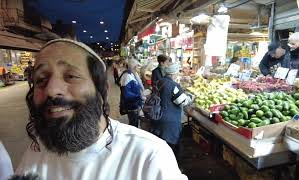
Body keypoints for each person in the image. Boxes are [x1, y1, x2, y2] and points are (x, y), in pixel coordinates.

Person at [15, 39, 187, 180]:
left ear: (100, 88)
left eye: (70, 76)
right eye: (41, 79)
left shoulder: (148, 157)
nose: (51, 90)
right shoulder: (35, 153)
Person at [151, 62, 192, 159]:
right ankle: (171, 168)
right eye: (177, 73)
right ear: (173, 74)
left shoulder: (160, 81)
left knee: (161, 146)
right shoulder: (173, 85)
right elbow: (182, 101)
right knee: (171, 148)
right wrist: (190, 97)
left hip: (158, 117)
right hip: (169, 122)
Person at [119, 58, 144, 128]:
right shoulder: (127, 76)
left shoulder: (132, 74)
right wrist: (139, 96)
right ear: (134, 67)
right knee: (133, 124)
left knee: (134, 122)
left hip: (135, 104)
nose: (138, 68)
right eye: (137, 66)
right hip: (131, 106)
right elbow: (126, 94)